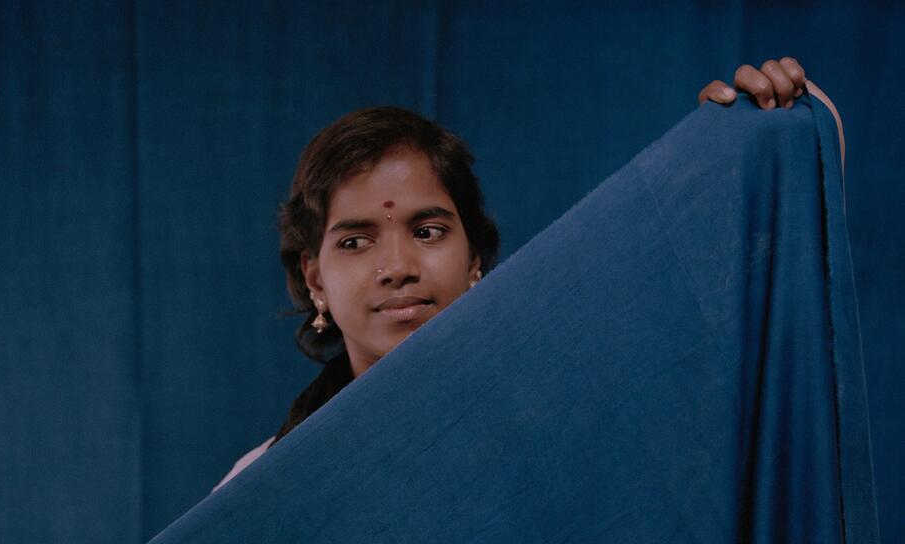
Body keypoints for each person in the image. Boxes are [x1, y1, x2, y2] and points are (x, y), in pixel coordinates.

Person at [213, 57, 817, 492]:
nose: (397, 268)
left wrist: (752, 142)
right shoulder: (263, 490)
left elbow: (736, 401)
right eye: (355, 241)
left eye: (428, 232)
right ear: (315, 280)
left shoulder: (576, 433)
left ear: (474, 258)